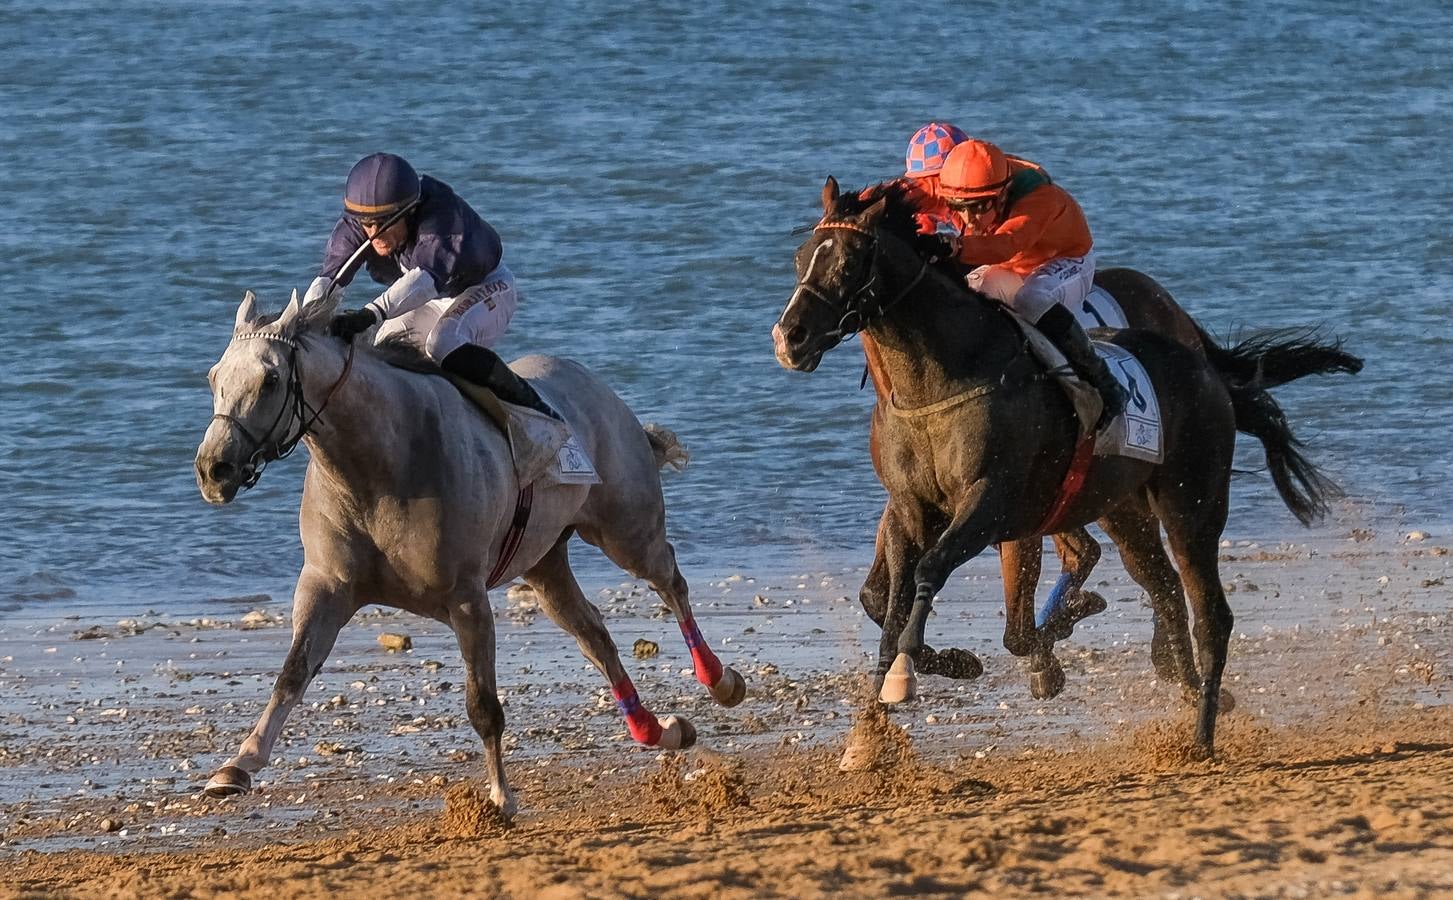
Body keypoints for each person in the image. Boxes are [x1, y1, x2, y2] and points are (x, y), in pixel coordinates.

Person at [303, 152, 559, 418]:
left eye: (385, 223)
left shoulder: (441, 217)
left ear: (410, 212)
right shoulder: (360, 220)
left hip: (487, 289)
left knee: (443, 344)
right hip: (433, 299)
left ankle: (535, 410)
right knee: (383, 344)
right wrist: (303, 322)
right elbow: (329, 280)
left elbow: (424, 281)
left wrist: (368, 315)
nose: (375, 233)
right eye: (367, 224)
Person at [922, 138, 1127, 428]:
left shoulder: (1040, 200)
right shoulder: (962, 185)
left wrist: (953, 245)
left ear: (1003, 193)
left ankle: (1104, 383)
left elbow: (1006, 244)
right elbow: (907, 189)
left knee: (1032, 298)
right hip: (1012, 265)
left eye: (979, 207)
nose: (969, 219)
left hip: (1066, 260)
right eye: (958, 207)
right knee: (967, 294)